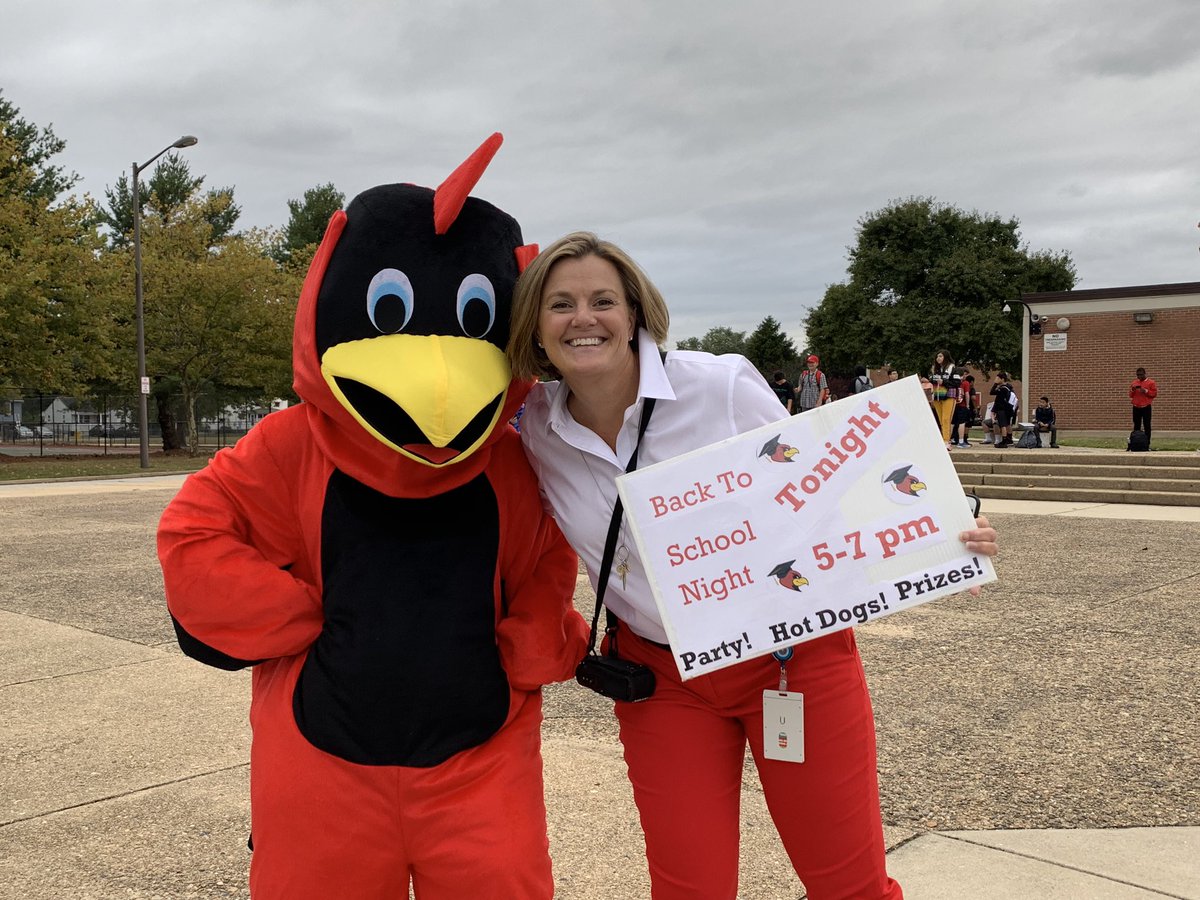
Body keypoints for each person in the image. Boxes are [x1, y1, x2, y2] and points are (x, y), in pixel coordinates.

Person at [506, 232, 1000, 900]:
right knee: (689, 888)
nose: (583, 318)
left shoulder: (722, 388)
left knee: (846, 883)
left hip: (791, 661)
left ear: (634, 312)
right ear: (536, 324)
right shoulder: (534, 429)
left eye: (602, 300)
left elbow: (821, 489)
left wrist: (941, 530)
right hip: (663, 678)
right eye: (560, 304)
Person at [929, 350, 960, 447]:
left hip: (948, 396)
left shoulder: (953, 368)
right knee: (940, 419)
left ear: (946, 357)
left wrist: (944, 382)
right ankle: (943, 439)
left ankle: (947, 441)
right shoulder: (935, 369)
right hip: (937, 397)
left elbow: (957, 382)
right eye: (937, 356)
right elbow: (932, 380)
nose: (938, 358)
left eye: (940, 356)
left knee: (946, 419)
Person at [1130, 367, 1157, 446]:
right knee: (1136, 425)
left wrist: (1145, 391)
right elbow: (1130, 395)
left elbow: (1154, 394)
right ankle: (1135, 442)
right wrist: (1133, 390)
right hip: (1136, 407)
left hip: (1146, 407)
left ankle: (1147, 443)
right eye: (1137, 375)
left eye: (1141, 375)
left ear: (1144, 374)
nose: (1139, 377)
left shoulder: (1151, 382)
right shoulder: (1134, 382)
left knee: (1147, 425)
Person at [989, 372, 1016, 448]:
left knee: (1003, 425)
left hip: (1002, 409)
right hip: (1009, 409)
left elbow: (992, 392)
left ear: (1002, 379)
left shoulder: (1002, 389)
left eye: (998, 378)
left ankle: (1004, 441)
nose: (996, 379)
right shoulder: (1009, 387)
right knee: (1007, 424)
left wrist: (995, 384)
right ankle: (1009, 439)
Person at [950, 374, 977, 448]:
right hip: (962, 405)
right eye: (965, 374)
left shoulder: (951, 382)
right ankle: (961, 441)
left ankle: (949, 440)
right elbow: (967, 394)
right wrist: (968, 405)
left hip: (953, 404)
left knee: (952, 423)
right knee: (962, 423)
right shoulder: (965, 383)